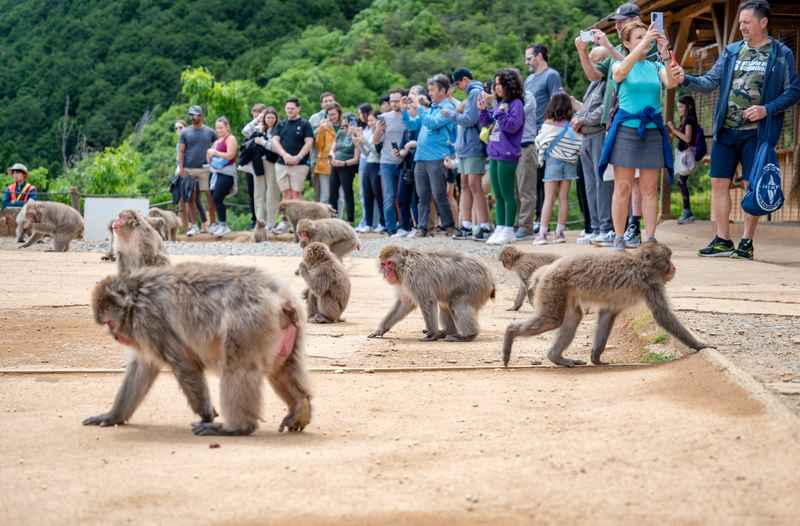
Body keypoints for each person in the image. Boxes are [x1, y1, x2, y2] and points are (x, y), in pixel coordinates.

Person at [675, 0, 800, 260]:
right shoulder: (732, 51)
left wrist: (767, 108)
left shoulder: (780, 53)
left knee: (752, 185)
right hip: (726, 130)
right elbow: (709, 82)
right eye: (740, 22)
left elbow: (793, 91)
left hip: (758, 133)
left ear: (763, 22)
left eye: (746, 22)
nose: (741, 26)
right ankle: (722, 239)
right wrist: (685, 78)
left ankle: (746, 242)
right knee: (719, 182)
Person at [597, 20, 679, 251]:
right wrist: (641, 46)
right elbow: (621, 73)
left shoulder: (655, 67)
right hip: (626, 131)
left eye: (647, 36)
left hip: (652, 130)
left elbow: (671, 82)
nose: (645, 41)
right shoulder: (618, 63)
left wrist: (665, 53)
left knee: (649, 189)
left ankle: (650, 238)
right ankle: (619, 237)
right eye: (638, 37)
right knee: (622, 186)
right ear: (625, 42)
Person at [580, 2, 655, 248]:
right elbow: (595, 75)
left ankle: (634, 225)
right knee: (620, 181)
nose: (617, 25)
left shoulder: (647, 44)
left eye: (622, 20)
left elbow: (630, 65)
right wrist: (582, 51)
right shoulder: (618, 48)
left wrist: (610, 46)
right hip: (614, 120)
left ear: (636, 19)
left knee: (639, 182)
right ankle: (619, 229)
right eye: (617, 21)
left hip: (639, 121)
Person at [405, 74, 458, 237]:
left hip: (437, 156)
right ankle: (423, 227)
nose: (430, 93)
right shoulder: (431, 108)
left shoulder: (447, 107)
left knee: (439, 193)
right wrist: (405, 110)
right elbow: (412, 124)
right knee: (422, 195)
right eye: (429, 90)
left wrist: (419, 107)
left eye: (432, 90)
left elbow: (433, 123)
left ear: (443, 90)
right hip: (421, 157)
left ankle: (449, 226)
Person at [572, 43, 614, 246]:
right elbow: (586, 108)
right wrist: (577, 119)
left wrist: (582, 119)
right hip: (585, 137)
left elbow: (603, 111)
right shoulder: (593, 84)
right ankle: (595, 227)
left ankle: (606, 227)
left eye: (596, 60)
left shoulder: (609, 82)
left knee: (601, 183)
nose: (592, 63)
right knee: (589, 185)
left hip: (599, 135)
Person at [479, 68, 525, 245]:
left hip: (508, 154)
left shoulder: (516, 104)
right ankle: (499, 227)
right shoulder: (501, 104)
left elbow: (512, 126)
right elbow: (487, 123)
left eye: (500, 84)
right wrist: (484, 111)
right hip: (495, 152)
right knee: (496, 194)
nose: (496, 87)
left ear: (509, 85)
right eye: (495, 84)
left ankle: (508, 229)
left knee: (507, 194)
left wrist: (499, 112)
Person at [445, 68, 491, 241]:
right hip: (464, 148)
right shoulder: (470, 95)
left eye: (458, 84)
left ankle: (484, 226)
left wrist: (451, 114)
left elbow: (470, 119)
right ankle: (466, 224)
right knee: (464, 184)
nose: (458, 88)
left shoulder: (475, 93)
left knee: (474, 185)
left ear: (465, 79)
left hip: (474, 147)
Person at [533, 93, 583, 245]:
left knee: (549, 199)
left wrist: (543, 155)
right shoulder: (573, 124)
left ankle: (542, 234)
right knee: (563, 198)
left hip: (553, 163)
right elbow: (579, 145)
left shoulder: (548, 123)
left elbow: (539, 142)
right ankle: (560, 233)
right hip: (569, 164)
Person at [523, 44, 562, 237]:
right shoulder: (529, 79)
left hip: (545, 132)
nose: (527, 62)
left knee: (544, 177)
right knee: (532, 178)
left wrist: (551, 129)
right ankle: (532, 219)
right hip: (529, 134)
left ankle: (541, 219)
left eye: (529, 58)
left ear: (539, 56)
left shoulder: (552, 75)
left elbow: (558, 101)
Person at [178, 105, 217, 236]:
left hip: (205, 169)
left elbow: (217, 147)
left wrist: (215, 164)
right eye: (191, 115)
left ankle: (212, 224)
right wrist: (181, 168)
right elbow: (181, 151)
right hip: (189, 169)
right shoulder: (185, 132)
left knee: (210, 197)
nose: (193, 117)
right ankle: (193, 225)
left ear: (201, 115)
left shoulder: (210, 132)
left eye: (196, 115)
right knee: (190, 198)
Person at [373, 89, 408, 236]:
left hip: (406, 161)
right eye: (391, 101)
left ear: (403, 100)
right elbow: (375, 141)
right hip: (387, 161)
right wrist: (378, 131)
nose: (393, 103)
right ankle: (391, 229)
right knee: (389, 197)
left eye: (397, 100)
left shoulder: (410, 116)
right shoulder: (384, 117)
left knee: (404, 197)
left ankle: (407, 226)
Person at [272, 97, 315, 201]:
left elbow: (309, 142)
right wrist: (284, 155)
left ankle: (298, 217)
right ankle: (285, 217)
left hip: (299, 164)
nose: (289, 110)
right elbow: (274, 141)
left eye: (292, 108)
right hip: (281, 164)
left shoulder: (305, 124)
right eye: (287, 108)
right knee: (285, 194)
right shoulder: (281, 124)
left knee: (296, 194)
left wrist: (298, 157)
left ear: (298, 109)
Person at [666, 95, 700, 225]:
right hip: (682, 153)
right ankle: (687, 211)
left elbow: (687, 138)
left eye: (681, 106)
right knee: (681, 182)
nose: (678, 109)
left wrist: (673, 129)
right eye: (678, 106)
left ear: (688, 107)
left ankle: (687, 212)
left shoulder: (690, 120)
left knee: (682, 182)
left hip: (686, 155)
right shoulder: (684, 119)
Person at [207, 117, 238, 237]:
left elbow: (231, 155)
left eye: (221, 127)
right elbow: (210, 155)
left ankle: (224, 225)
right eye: (217, 128)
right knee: (214, 198)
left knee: (218, 197)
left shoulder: (231, 139)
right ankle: (221, 224)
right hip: (215, 171)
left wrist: (215, 153)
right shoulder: (217, 141)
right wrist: (209, 155)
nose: (219, 130)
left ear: (227, 127)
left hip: (227, 172)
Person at [173, 120, 207, 230]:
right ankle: (187, 226)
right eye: (176, 128)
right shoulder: (178, 143)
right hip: (182, 173)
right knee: (183, 200)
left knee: (195, 199)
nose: (178, 130)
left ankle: (203, 224)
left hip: (191, 171)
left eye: (180, 127)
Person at [328, 113, 361, 223]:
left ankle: (350, 219)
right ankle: (332, 218)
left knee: (347, 192)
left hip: (347, 166)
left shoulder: (355, 136)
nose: (345, 128)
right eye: (343, 126)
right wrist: (332, 158)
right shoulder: (340, 133)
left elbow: (356, 158)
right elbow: (333, 148)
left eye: (347, 126)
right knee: (332, 192)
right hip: (335, 164)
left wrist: (343, 163)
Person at [356, 102, 383, 233]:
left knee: (378, 194)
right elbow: (366, 153)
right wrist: (359, 144)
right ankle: (368, 223)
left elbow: (376, 151)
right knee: (367, 195)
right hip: (368, 163)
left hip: (377, 164)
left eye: (373, 120)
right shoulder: (368, 133)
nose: (370, 123)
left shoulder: (380, 134)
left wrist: (364, 141)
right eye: (369, 121)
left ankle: (382, 223)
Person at [253, 107, 282, 229]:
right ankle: (260, 221)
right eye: (268, 117)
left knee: (272, 192)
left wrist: (263, 142)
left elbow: (276, 148)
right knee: (259, 192)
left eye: (272, 117)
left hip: (272, 162)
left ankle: (271, 221)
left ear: (276, 119)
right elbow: (245, 131)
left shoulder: (279, 130)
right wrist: (258, 119)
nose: (270, 119)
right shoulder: (259, 128)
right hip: (258, 162)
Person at [240, 103, 267, 228]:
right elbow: (245, 132)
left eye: (260, 112)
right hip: (250, 164)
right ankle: (254, 218)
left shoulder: (268, 124)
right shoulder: (252, 126)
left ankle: (265, 218)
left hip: (265, 161)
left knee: (266, 191)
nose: (257, 114)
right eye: (255, 112)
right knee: (252, 191)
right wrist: (256, 120)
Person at [310, 92, 338, 202]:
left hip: (336, 160)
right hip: (318, 160)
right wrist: (321, 127)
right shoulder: (315, 118)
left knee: (336, 194)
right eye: (325, 101)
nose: (328, 103)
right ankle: (319, 218)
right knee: (319, 193)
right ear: (321, 104)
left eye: (331, 100)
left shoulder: (339, 116)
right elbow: (309, 138)